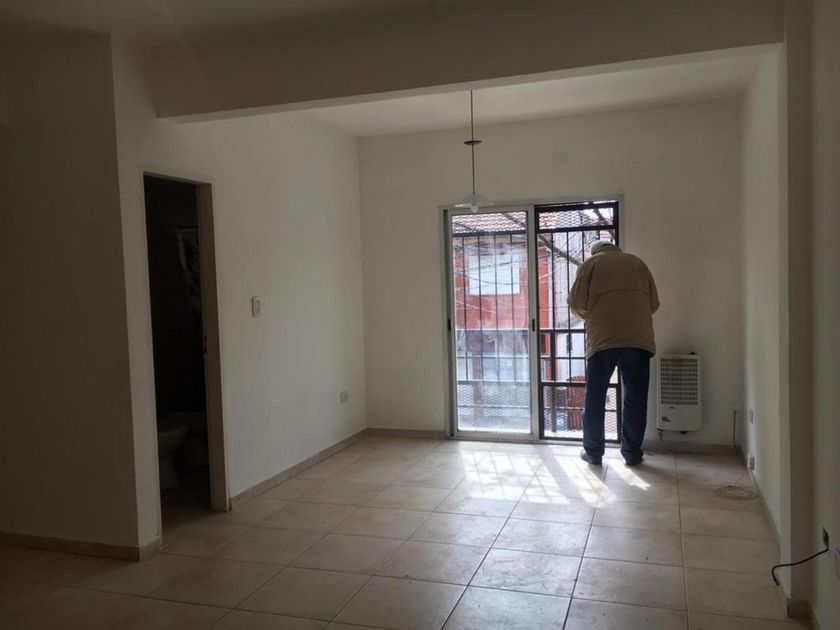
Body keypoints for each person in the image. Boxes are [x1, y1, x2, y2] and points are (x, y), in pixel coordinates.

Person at [568, 240, 659, 466]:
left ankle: (593, 452)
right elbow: (654, 304)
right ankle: (632, 453)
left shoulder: (590, 265)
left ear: (595, 251)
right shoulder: (638, 263)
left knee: (595, 398)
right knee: (635, 399)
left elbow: (576, 303)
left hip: (603, 340)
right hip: (638, 340)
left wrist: (593, 316)